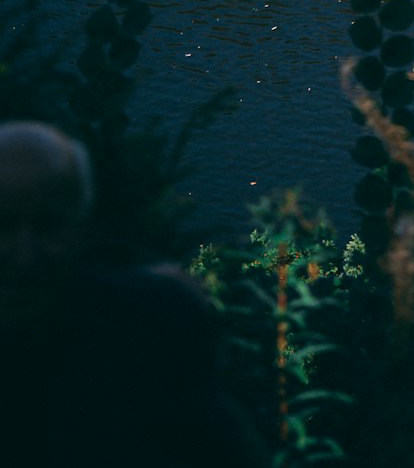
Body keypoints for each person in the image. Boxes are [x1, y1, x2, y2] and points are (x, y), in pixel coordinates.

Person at [0, 120, 265, 468]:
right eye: (3, 225)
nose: (25, 255)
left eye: (49, 225)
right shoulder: (159, 316)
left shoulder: (155, 327)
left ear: (84, 230)